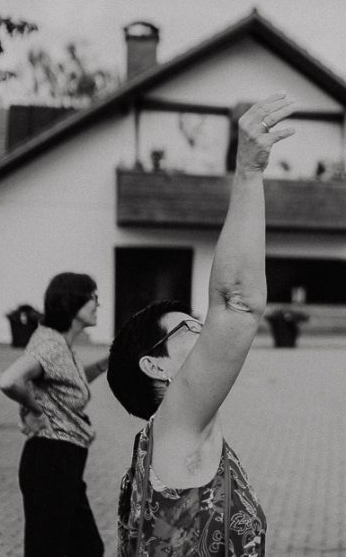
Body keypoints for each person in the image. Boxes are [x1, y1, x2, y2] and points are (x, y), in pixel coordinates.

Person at [106, 93, 298, 556]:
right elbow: (236, 304)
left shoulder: (169, 443)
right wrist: (249, 172)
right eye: (189, 327)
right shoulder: (178, 428)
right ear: (155, 366)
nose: (204, 331)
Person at [0, 272, 108, 557]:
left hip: (63, 463)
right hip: (51, 463)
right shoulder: (52, 346)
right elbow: (9, 380)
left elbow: (70, 383)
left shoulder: (58, 342)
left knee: (87, 549)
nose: (98, 304)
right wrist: (36, 409)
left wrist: (108, 361)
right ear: (72, 303)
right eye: (92, 297)